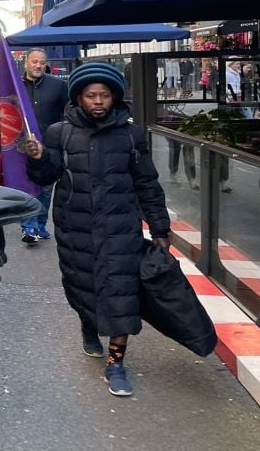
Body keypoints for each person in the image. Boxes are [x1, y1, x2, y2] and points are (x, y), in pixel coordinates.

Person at [24, 62, 171, 398]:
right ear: (79, 97)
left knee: (121, 293)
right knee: (83, 287)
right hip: (75, 226)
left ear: (115, 97)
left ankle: (116, 363)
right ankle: (88, 325)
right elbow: (45, 177)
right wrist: (37, 157)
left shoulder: (132, 135)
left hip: (121, 229)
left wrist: (160, 227)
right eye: (91, 95)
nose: (98, 101)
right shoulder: (60, 133)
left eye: (105, 95)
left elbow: (147, 183)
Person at [18, 48, 69, 244]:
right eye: (34, 62)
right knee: (26, 186)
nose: (38, 65)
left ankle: (40, 223)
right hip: (22, 145)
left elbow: (68, 111)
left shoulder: (58, 85)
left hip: (49, 145)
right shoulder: (15, 86)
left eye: (42, 62)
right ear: (26, 63)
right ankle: (28, 226)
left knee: (46, 188)